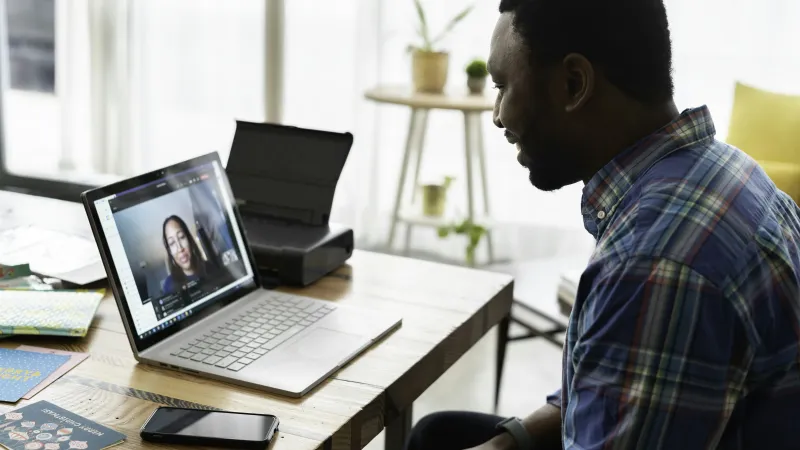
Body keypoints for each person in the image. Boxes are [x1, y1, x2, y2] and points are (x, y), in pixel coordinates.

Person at [406, 0, 800, 449]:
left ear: (574, 84)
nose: (498, 114)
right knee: (438, 435)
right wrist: (508, 442)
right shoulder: (725, 170)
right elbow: (618, 384)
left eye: (503, 86)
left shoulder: (655, 262)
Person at [161, 215, 209, 294]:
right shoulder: (169, 285)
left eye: (181, 237)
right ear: (170, 252)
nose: (180, 248)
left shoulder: (209, 267)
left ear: (189, 239)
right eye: (172, 243)